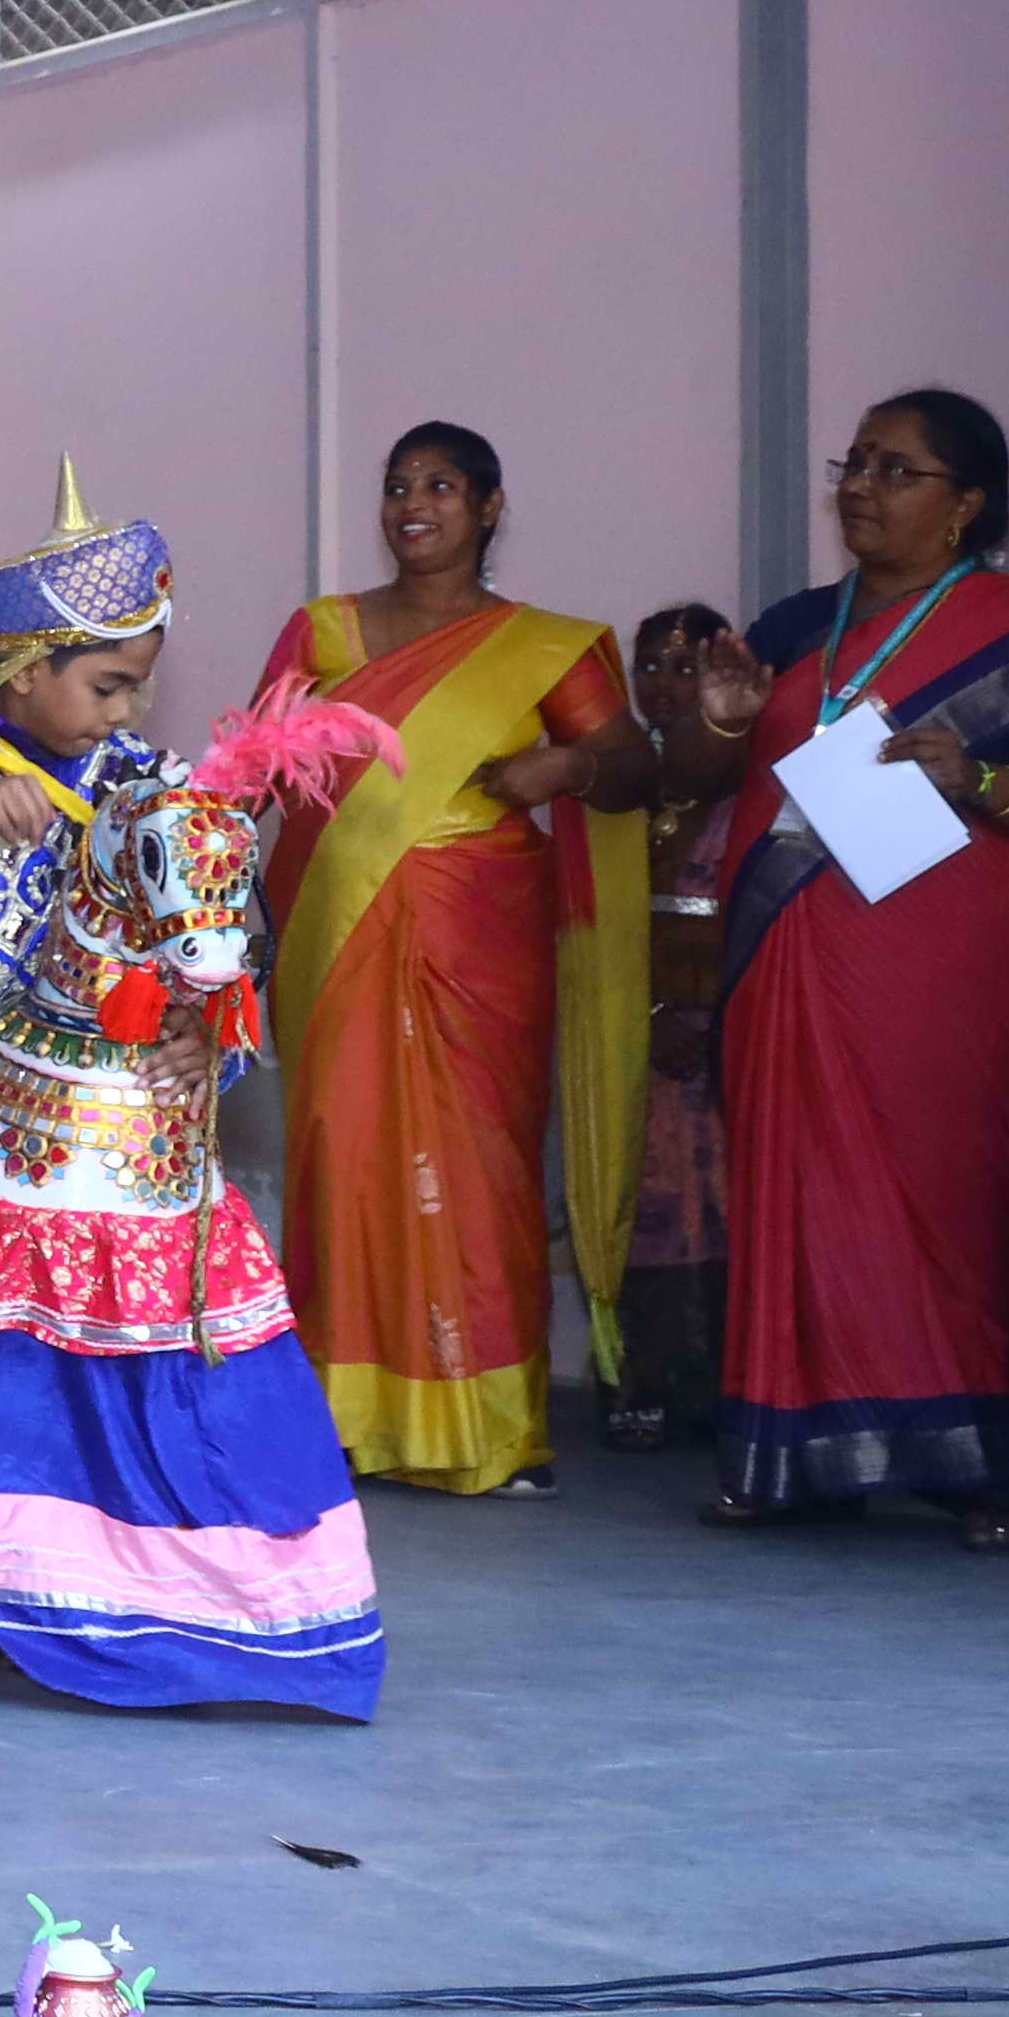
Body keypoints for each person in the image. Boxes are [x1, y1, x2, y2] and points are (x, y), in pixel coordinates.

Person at [0, 486, 386, 1714]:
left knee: (161, 1357)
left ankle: (184, 1589)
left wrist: (210, 1030)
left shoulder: (145, 784)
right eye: (106, 686)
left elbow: (217, 932)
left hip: (124, 1143)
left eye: (139, 686)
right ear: (27, 667)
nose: (128, 711)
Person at [642, 388, 1009, 1546]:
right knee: (796, 1205)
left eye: (896, 469)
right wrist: (724, 720)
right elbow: (695, 774)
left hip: (950, 983)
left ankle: (988, 1468)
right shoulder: (795, 626)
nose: (861, 487)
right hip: (788, 968)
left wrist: (980, 780)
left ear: (965, 503)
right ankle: (797, 1456)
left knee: (957, 1204)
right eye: (854, 463)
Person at [244, 424, 656, 1498]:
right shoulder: (326, 630)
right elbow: (254, 768)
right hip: (336, 930)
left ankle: (492, 1430)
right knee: (341, 1154)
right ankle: (338, 1419)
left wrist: (562, 766)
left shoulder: (544, 647)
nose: (412, 505)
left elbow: (630, 766)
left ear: (489, 507)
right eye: (397, 486)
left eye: (439, 486)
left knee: (481, 1167)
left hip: (481, 938)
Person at [599, 600, 740, 1451]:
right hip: (632, 1030)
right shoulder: (621, 785)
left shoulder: (748, 785)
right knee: (637, 1207)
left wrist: (719, 1019)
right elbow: (593, 921)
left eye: (686, 668)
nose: (663, 684)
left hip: (728, 1036)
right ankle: (638, 1382)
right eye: (649, 666)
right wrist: (648, 1015)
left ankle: (723, 1386)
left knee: (724, 1208)